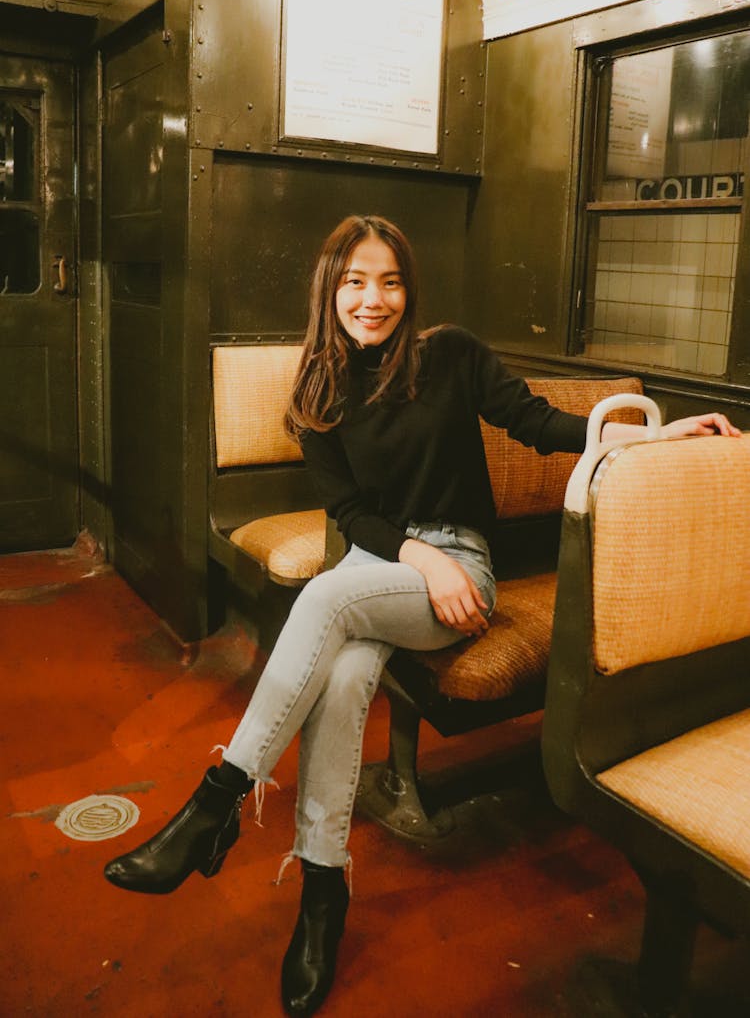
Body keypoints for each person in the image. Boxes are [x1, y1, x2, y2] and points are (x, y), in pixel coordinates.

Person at [104, 215, 741, 1016]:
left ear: (410, 287)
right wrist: (417, 557)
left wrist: (654, 435)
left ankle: (217, 801)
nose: (373, 299)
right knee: (340, 680)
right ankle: (322, 891)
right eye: (355, 282)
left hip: (462, 568)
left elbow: (538, 424)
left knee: (325, 595)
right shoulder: (317, 390)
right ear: (330, 290)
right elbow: (350, 513)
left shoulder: (450, 355)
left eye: (390, 280)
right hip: (391, 564)